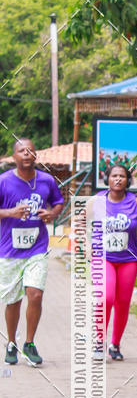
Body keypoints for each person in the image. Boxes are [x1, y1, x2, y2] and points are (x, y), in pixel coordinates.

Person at [0, 139, 64, 367]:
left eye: (30, 151)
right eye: (21, 151)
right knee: (13, 300)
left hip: (37, 249)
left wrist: (51, 214)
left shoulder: (46, 180)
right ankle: (11, 343)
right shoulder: (3, 181)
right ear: (14, 156)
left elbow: (58, 203)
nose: (26, 154)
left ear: (35, 156)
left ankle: (29, 343)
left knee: (35, 295)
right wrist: (10, 213)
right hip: (9, 250)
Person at [91, 163, 137, 360]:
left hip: (128, 260)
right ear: (107, 179)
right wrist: (85, 245)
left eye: (122, 176)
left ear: (128, 180)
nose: (118, 179)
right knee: (105, 297)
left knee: (122, 303)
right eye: (114, 175)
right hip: (102, 257)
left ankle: (115, 344)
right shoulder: (97, 201)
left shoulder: (135, 203)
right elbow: (80, 221)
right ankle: (98, 342)